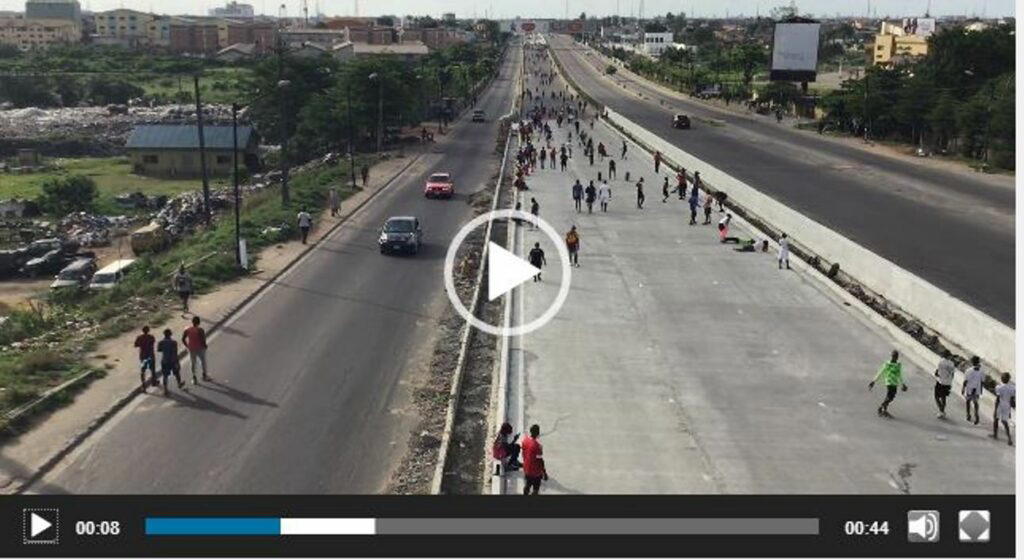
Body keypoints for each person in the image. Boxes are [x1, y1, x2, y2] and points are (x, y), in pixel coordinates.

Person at [869, 350, 908, 417]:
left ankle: (884, 410)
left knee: (891, 397)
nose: (894, 358)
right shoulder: (887, 364)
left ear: (897, 357)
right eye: (893, 356)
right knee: (890, 396)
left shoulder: (898, 365)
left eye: (895, 356)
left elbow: (900, 375)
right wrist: (874, 381)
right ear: (891, 356)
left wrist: (903, 383)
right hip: (889, 382)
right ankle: (881, 408)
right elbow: (881, 372)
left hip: (895, 382)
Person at [520, 424, 548, 495]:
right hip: (535, 472)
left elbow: (524, 453)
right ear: (538, 433)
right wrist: (544, 472)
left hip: (526, 468)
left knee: (528, 484)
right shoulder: (537, 446)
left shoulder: (525, 440)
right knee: (536, 489)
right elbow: (540, 461)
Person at [182, 316, 209, 384]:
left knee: (193, 363)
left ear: (192, 322)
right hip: (200, 348)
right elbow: (203, 340)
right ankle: (204, 375)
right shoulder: (200, 330)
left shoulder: (187, 329)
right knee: (203, 362)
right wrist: (205, 345)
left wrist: (187, 346)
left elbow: (183, 339)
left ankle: (194, 378)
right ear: (199, 322)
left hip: (191, 348)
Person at [157, 328, 183, 395]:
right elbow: (175, 352)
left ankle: (165, 389)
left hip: (165, 360)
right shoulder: (174, 342)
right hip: (173, 360)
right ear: (170, 334)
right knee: (176, 373)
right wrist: (177, 361)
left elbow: (159, 350)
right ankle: (179, 383)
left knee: (165, 375)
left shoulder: (161, 342)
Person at [992, 372, 1014, 445]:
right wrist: (1010, 410)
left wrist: (995, 409)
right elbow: (1012, 400)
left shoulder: (999, 387)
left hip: (1000, 405)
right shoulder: (1012, 388)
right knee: (1004, 422)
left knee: (996, 419)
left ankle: (995, 434)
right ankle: (1009, 438)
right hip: (1007, 405)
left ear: (1002, 378)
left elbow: (998, 399)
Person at [933, 350, 955, 418]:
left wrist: (936, 375)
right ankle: (942, 411)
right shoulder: (952, 363)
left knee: (936, 396)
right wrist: (950, 381)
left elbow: (937, 372)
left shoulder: (941, 362)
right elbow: (952, 374)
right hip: (948, 383)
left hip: (940, 381)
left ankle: (941, 411)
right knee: (943, 397)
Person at [962, 356, 984, 424]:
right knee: (975, 403)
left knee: (968, 401)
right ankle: (976, 415)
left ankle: (968, 414)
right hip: (976, 389)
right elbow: (982, 381)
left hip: (970, 389)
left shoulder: (968, 371)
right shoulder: (981, 371)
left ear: (972, 362)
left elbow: (965, 381)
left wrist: (963, 388)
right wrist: (981, 390)